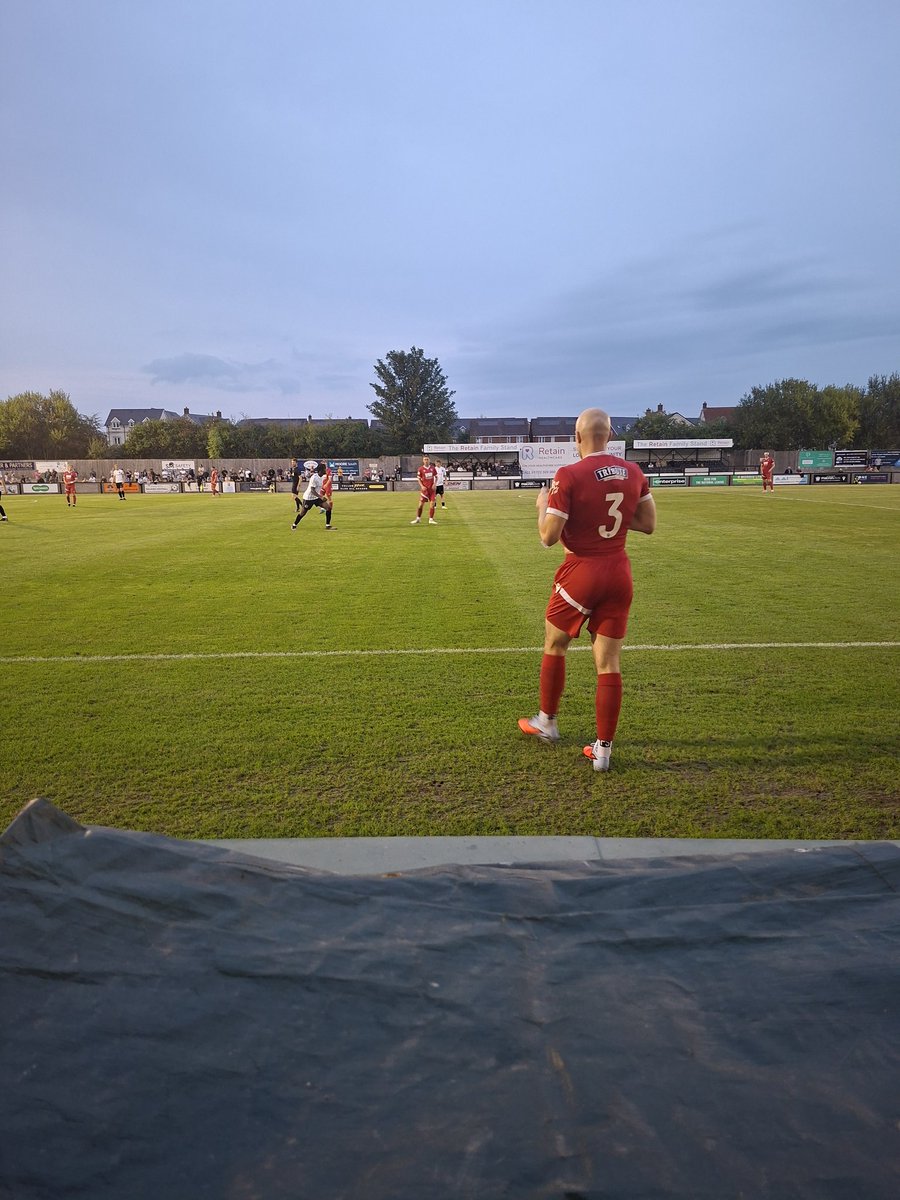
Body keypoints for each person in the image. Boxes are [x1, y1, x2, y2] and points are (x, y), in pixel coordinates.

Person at [518, 408, 657, 772]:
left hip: (581, 571)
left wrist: (542, 506)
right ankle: (604, 751)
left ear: (576, 438)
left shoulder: (569, 475)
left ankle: (547, 722)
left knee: (554, 644)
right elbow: (648, 524)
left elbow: (548, 537)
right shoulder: (633, 472)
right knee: (609, 663)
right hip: (619, 572)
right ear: (609, 437)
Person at [290, 462, 333, 530]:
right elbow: (312, 490)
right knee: (302, 513)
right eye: (325, 469)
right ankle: (294, 524)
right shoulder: (314, 478)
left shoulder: (323, 477)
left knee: (328, 508)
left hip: (316, 497)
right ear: (321, 470)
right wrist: (321, 497)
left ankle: (328, 525)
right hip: (308, 498)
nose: (326, 470)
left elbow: (319, 488)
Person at [411, 455, 438, 525]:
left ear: (429, 460)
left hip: (432, 490)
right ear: (423, 461)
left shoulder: (433, 468)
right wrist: (422, 486)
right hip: (424, 490)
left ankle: (431, 519)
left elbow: (436, 477)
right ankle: (418, 519)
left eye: (427, 459)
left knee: (432, 504)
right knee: (420, 505)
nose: (426, 461)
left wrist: (434, 484)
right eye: (425, 459)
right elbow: (419, 479)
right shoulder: (420, 469)